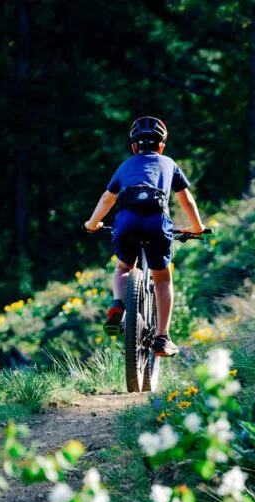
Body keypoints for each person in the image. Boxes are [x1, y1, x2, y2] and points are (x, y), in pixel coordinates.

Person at [84, 116, 205, 357]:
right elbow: (186, 200)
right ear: (161, 147)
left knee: (123, 267)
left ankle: (118, 303)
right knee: (162, 278)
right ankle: (162, 338)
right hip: (156, 223)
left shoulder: (125, 165)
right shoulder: (169, 163)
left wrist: (93, 223)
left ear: (134, 147)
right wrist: (197, 227)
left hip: (126, 222)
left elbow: (108, 198)